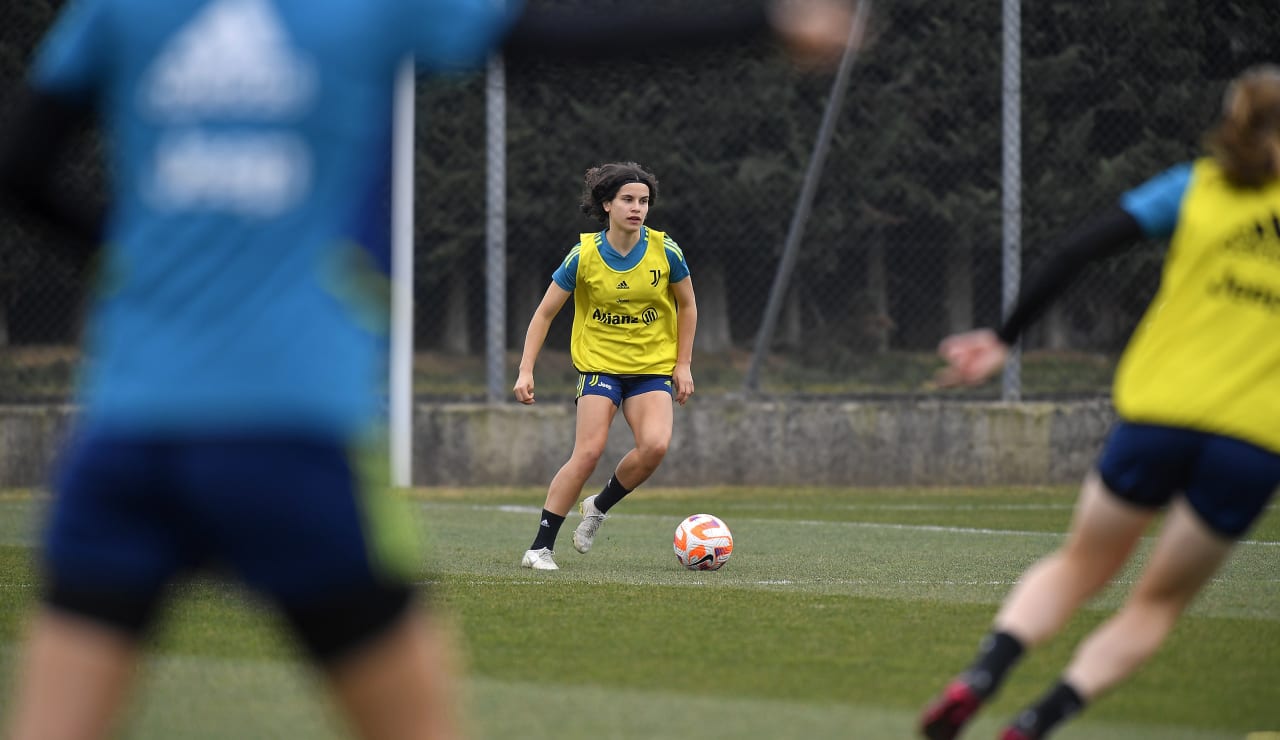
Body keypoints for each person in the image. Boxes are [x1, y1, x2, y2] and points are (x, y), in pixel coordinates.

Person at [0, 2, 862, 739]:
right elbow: (557, 34)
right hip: (289, 434)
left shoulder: (123, 10)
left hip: (126, 431)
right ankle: (551, 537)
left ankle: (577, 523)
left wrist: (146, 266)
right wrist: (763, 21)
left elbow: (23, 167)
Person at [918, 63, 1280, 740]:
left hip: (1158, 416)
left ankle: (982, 677)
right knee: (1157, 603)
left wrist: (1004, 336)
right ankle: (1038, 720)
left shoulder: (1197, 187)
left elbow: (1074, 250)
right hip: (1254, 441)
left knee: (1081, 563)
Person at [513, 162, 696, 571]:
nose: (637, 208)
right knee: (589, 451)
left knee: (655, 446)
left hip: (650, 369)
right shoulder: (584, 256)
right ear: (607, 204)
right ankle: (540, 548)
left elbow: (688, 305)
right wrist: (526, 369)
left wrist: (682, 364)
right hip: (600, 367)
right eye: (628, 200)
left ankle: (598, 506)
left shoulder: (666, 250)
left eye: (644, 201)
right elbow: (544, 314)